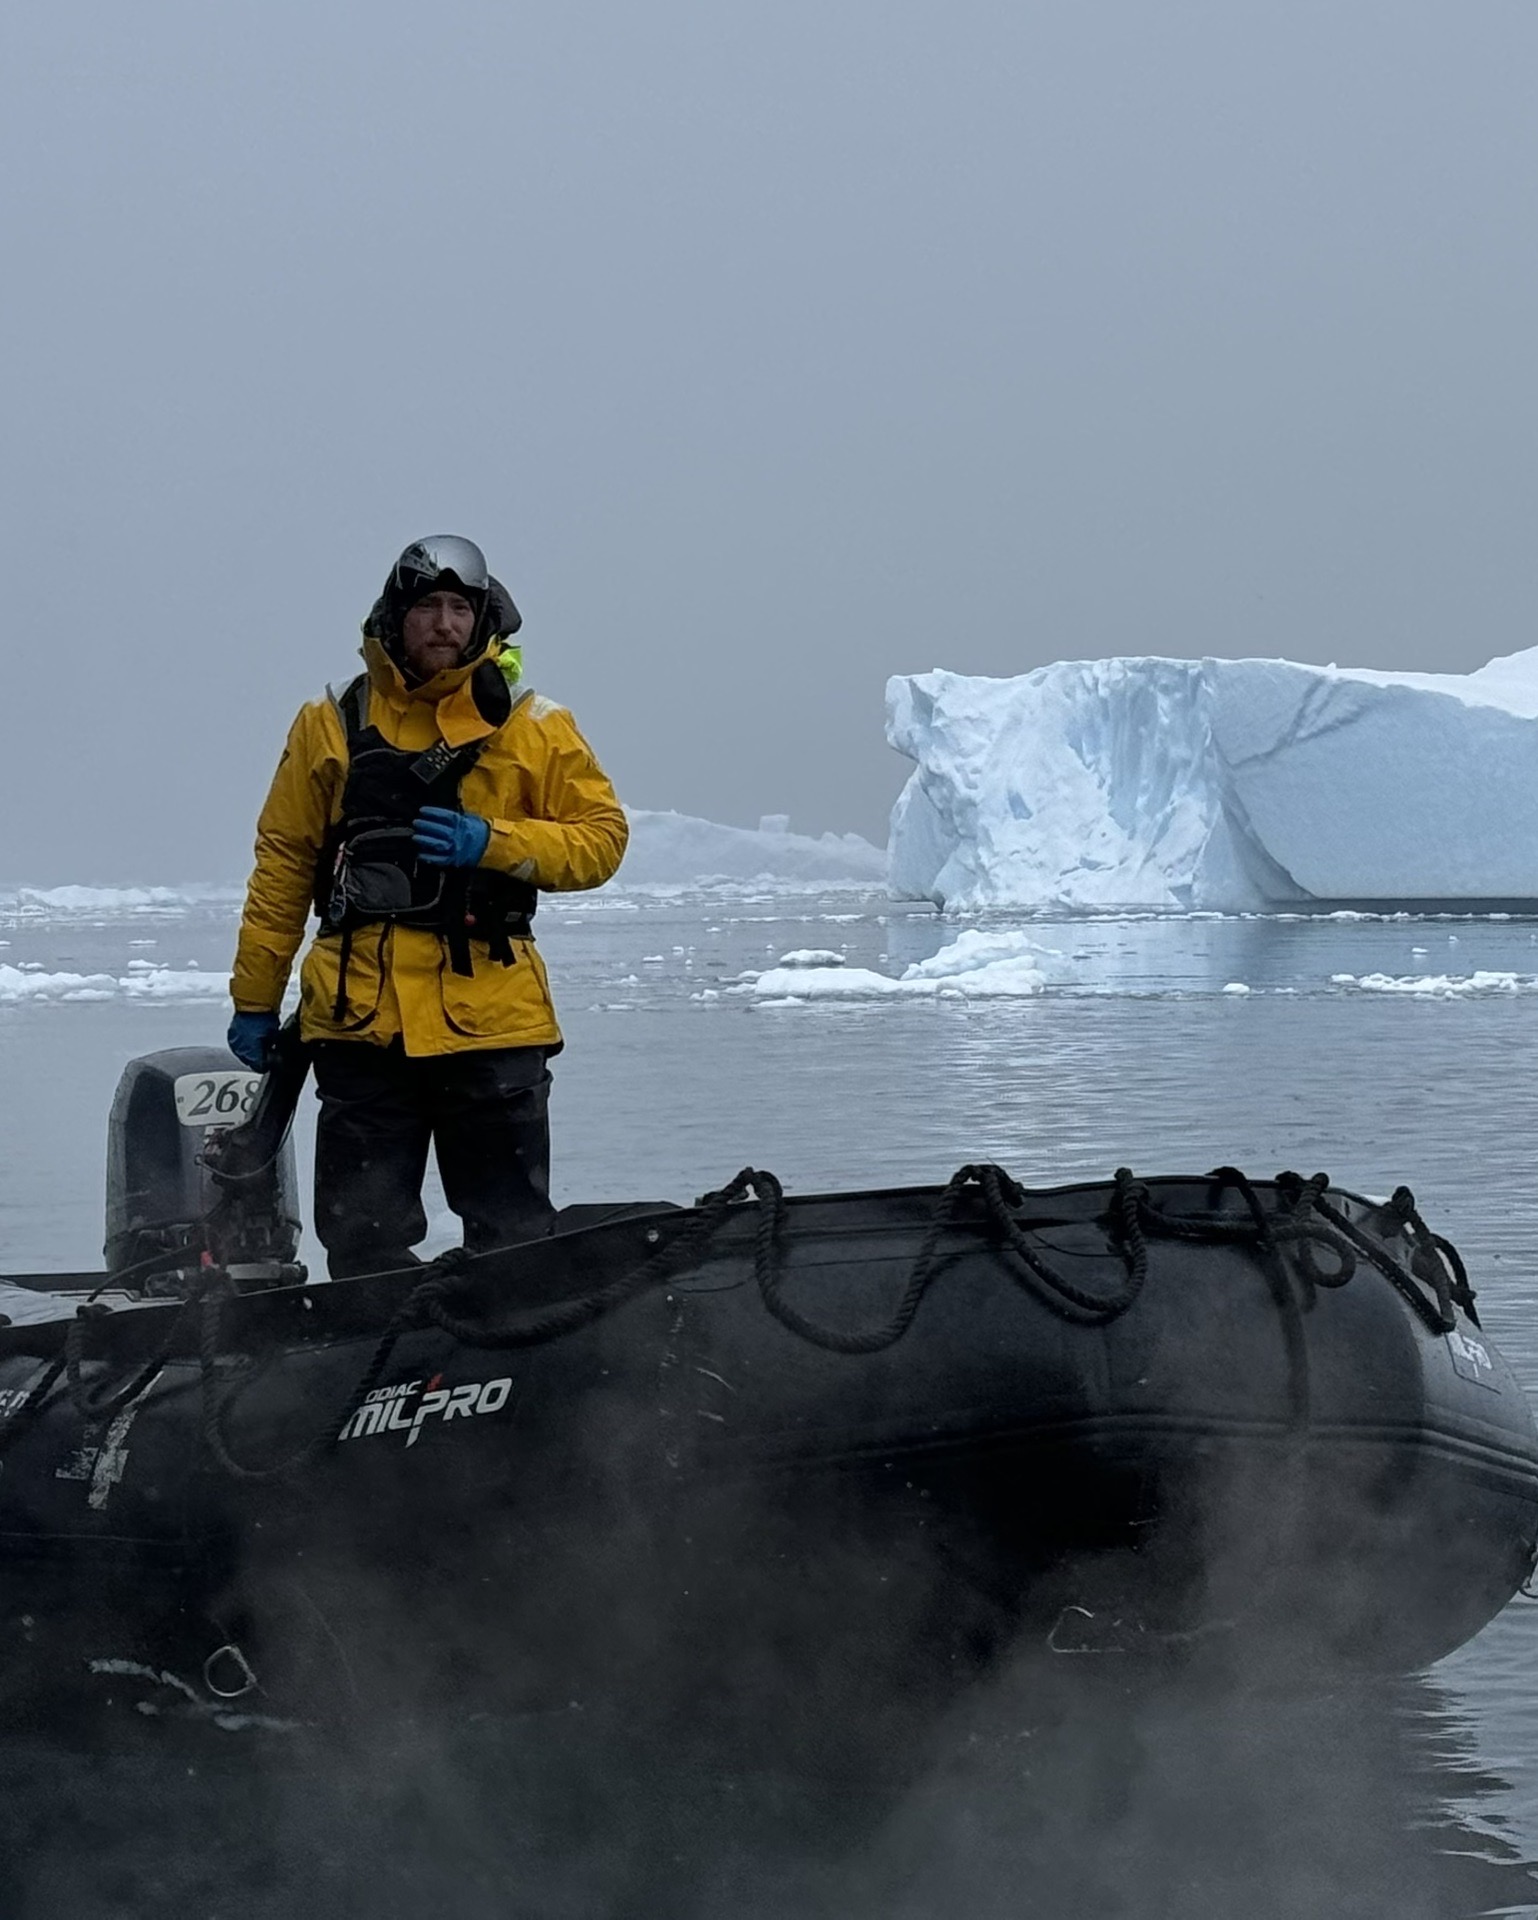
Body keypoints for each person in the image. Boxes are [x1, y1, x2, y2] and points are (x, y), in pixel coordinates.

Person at [226, 535, 628, 1277]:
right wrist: (256, 1000)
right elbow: (283, 865)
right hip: (358, 1025)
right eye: (428, 607)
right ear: (396, 616)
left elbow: (602, 842)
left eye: (459, 609)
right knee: (362, 1241)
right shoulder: (328, 724)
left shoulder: (535, 725)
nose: (444, 624)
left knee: (513, 1240)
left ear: (483, 621)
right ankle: (381, 1378)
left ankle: (513, 1376)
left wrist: (494, 841)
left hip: (492, 1021)